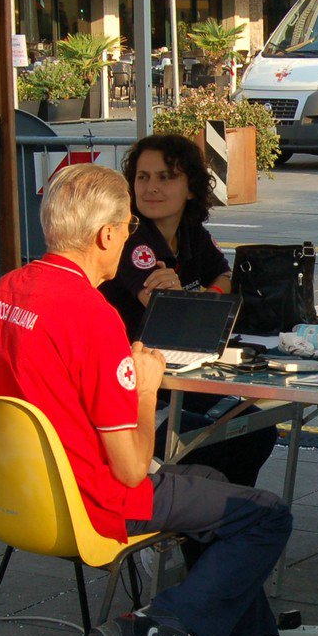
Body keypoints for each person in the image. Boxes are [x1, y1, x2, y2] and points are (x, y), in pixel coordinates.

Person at [0, 163, 318, 636]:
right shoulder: (90, 316)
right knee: (264, 515)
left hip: (5, 504)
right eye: (127, 226)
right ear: (106, 236)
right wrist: (146, 383)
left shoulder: (0, 295)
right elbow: (130, 468)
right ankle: (155, 629)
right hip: (94, 501)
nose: (130, 237)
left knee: (206, 480)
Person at [100, 133, 277, 489]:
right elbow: (169, 310)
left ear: (191, 188)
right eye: (143, 177)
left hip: (186, 370)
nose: (151, 188)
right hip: (141, 384)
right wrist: (197, 300)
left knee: (258, 429)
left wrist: (200, 296)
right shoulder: (132, 237)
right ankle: (196, 519)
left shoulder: (191, 231)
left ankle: (218, 518)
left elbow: (227, 278)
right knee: (234, 436)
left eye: (166, 177)